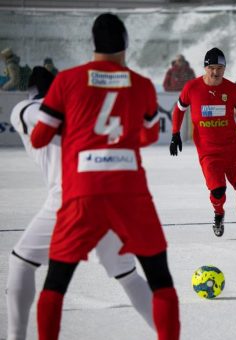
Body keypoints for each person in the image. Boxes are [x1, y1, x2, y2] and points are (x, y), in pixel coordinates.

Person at [30, 13, 180, 339]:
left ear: (93, 44)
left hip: (82, 193)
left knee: (55, 283)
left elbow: (40, 138)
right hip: (131, 193)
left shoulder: (67, 80)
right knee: (160, 279)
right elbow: (149, 136)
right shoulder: (140, 84)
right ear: (126, 44)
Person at [7, 66, 155, 339]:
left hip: (71, 198)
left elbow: (40, 119)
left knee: (21, 261)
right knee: (129, 276)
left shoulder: (26, 108)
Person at [169, 47, 236, 242]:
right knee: (218, 191)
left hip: (232, 149)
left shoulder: (231, 89)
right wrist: (175, 134)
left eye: (219, 68)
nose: (215, 72)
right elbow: (179, 110)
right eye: (211, 67)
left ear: (224, 68)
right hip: (208, 152)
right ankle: (218, 212)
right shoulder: (192, 87)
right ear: (205, 68)